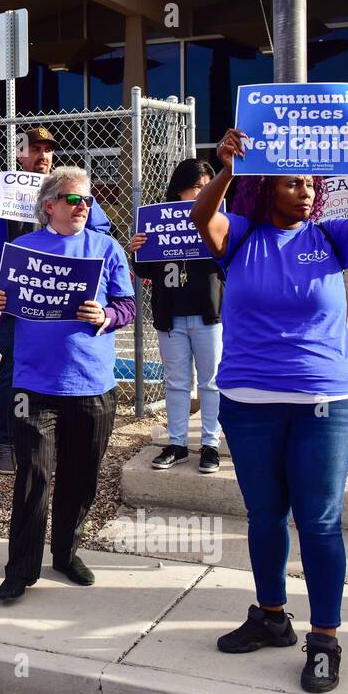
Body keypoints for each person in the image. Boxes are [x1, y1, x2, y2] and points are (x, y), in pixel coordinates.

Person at [190, 127, 348, 694]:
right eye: (293, 183)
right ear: (267, 189)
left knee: (320, 520)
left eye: (310, 183)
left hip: (324, 403)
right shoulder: (240, 234)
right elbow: (202, 221)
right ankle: (271, 616)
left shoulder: (331, 237)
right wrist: (226, 169)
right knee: (264, 516)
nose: (306, 192)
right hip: (249, 402)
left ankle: (325, 639)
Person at [0, 166, 135, 602]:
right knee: (33, 477)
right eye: (73, 199)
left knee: (81, 476)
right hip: (34, 387)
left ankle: (66, 555)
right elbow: (4, 305)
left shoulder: (106, 249)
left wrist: (107, 316)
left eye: (88, 200)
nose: (83, 206)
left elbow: (127, 305)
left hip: (91, 385)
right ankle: (21, 569)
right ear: (49, 205)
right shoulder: (22, 249)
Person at [0, 126, 113, 475]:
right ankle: (9, 439)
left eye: (48, 149)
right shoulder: (0, 191)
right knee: (13, 369)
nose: (43, 155)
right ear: (20, 154)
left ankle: (51, 438)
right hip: (16, 300)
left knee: (57, 367)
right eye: (35, 149)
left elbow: (100, 230)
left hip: (62, 298)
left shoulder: (69, 189)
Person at [128, 158, 223, 473]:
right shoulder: (159, 221)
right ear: (179, 189)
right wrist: (137, 249)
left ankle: (210, 443)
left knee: (211, 381)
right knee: (177, 382)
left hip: (210, 313)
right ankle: (178, 442)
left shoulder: (218, 219)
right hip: (171, 313)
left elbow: (228, 261)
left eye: (207, 186)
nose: (201, 193)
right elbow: (145, 271)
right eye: (196, 187)